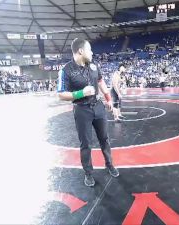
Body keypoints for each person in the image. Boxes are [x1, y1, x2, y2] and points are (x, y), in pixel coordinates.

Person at [57, 38, 119, 187]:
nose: (92, 52)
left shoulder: (93, 66)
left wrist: (108, 98)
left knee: (104, 138)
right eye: (89, 49)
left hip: (98, 107)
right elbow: (60, 94)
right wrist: (80, 93)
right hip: (81, 110)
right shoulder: (65, 70)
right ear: (80, 51)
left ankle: (109, 164)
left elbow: (101, 81)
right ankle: (88, 173)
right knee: (86, 144)